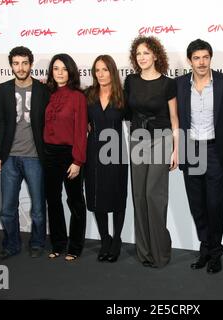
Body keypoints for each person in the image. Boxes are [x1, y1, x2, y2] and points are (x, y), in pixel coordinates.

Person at [175, 39, 223, 274]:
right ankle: (205, 249)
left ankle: (216, 251)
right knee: (197, 204)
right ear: (190, 60)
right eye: (196, 58)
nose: (201, 62)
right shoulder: (178, 84)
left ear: (211, 58)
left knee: (215, 204)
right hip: (190, 149)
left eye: (205, 57)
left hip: (214, 150)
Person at [125, 35, 179, 268]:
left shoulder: (168, 83)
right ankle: (144, 252)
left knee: (153, 196)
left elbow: (175, 119)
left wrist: (176, 150)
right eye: (138, 54)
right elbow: (126, 112)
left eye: (146, 52)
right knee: (138, 196)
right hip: (138, 139)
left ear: (156, 55)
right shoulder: (131, 81)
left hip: (161, 139)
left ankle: (161, 253)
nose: (142, 57)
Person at [0, 46, 50, 261]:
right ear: (11, 65)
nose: (21, 67)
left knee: (37, 208)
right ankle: (12, 244)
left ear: (31, 64)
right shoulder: (3, 89)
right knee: (7, 209)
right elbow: (0, 122)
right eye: (16, 63)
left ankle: (37, 243)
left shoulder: (43, 90)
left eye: (25, 63)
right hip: (9, 157)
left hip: (35, 157)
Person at [44, 53, 88, 262]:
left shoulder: (78, 97)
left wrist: (78, 161)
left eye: (63, 68)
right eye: (55, 68)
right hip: (49, 154)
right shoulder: (47, 94)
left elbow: (81, 130)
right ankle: (58, 244)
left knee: (75, 201)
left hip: (70, 155)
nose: (60, 73)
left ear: (70, 71)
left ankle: (75, 246)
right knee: (53, 201)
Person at [85, 55, 128, 263]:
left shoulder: (123, 96)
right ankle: (105, 239)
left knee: (118, 196)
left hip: (117, 153)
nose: (101, 74)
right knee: (96, 196)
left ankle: (117, 239)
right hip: (93, 152)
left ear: (112, 71)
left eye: (105, 69)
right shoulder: (88, 95)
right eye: (97, 70)